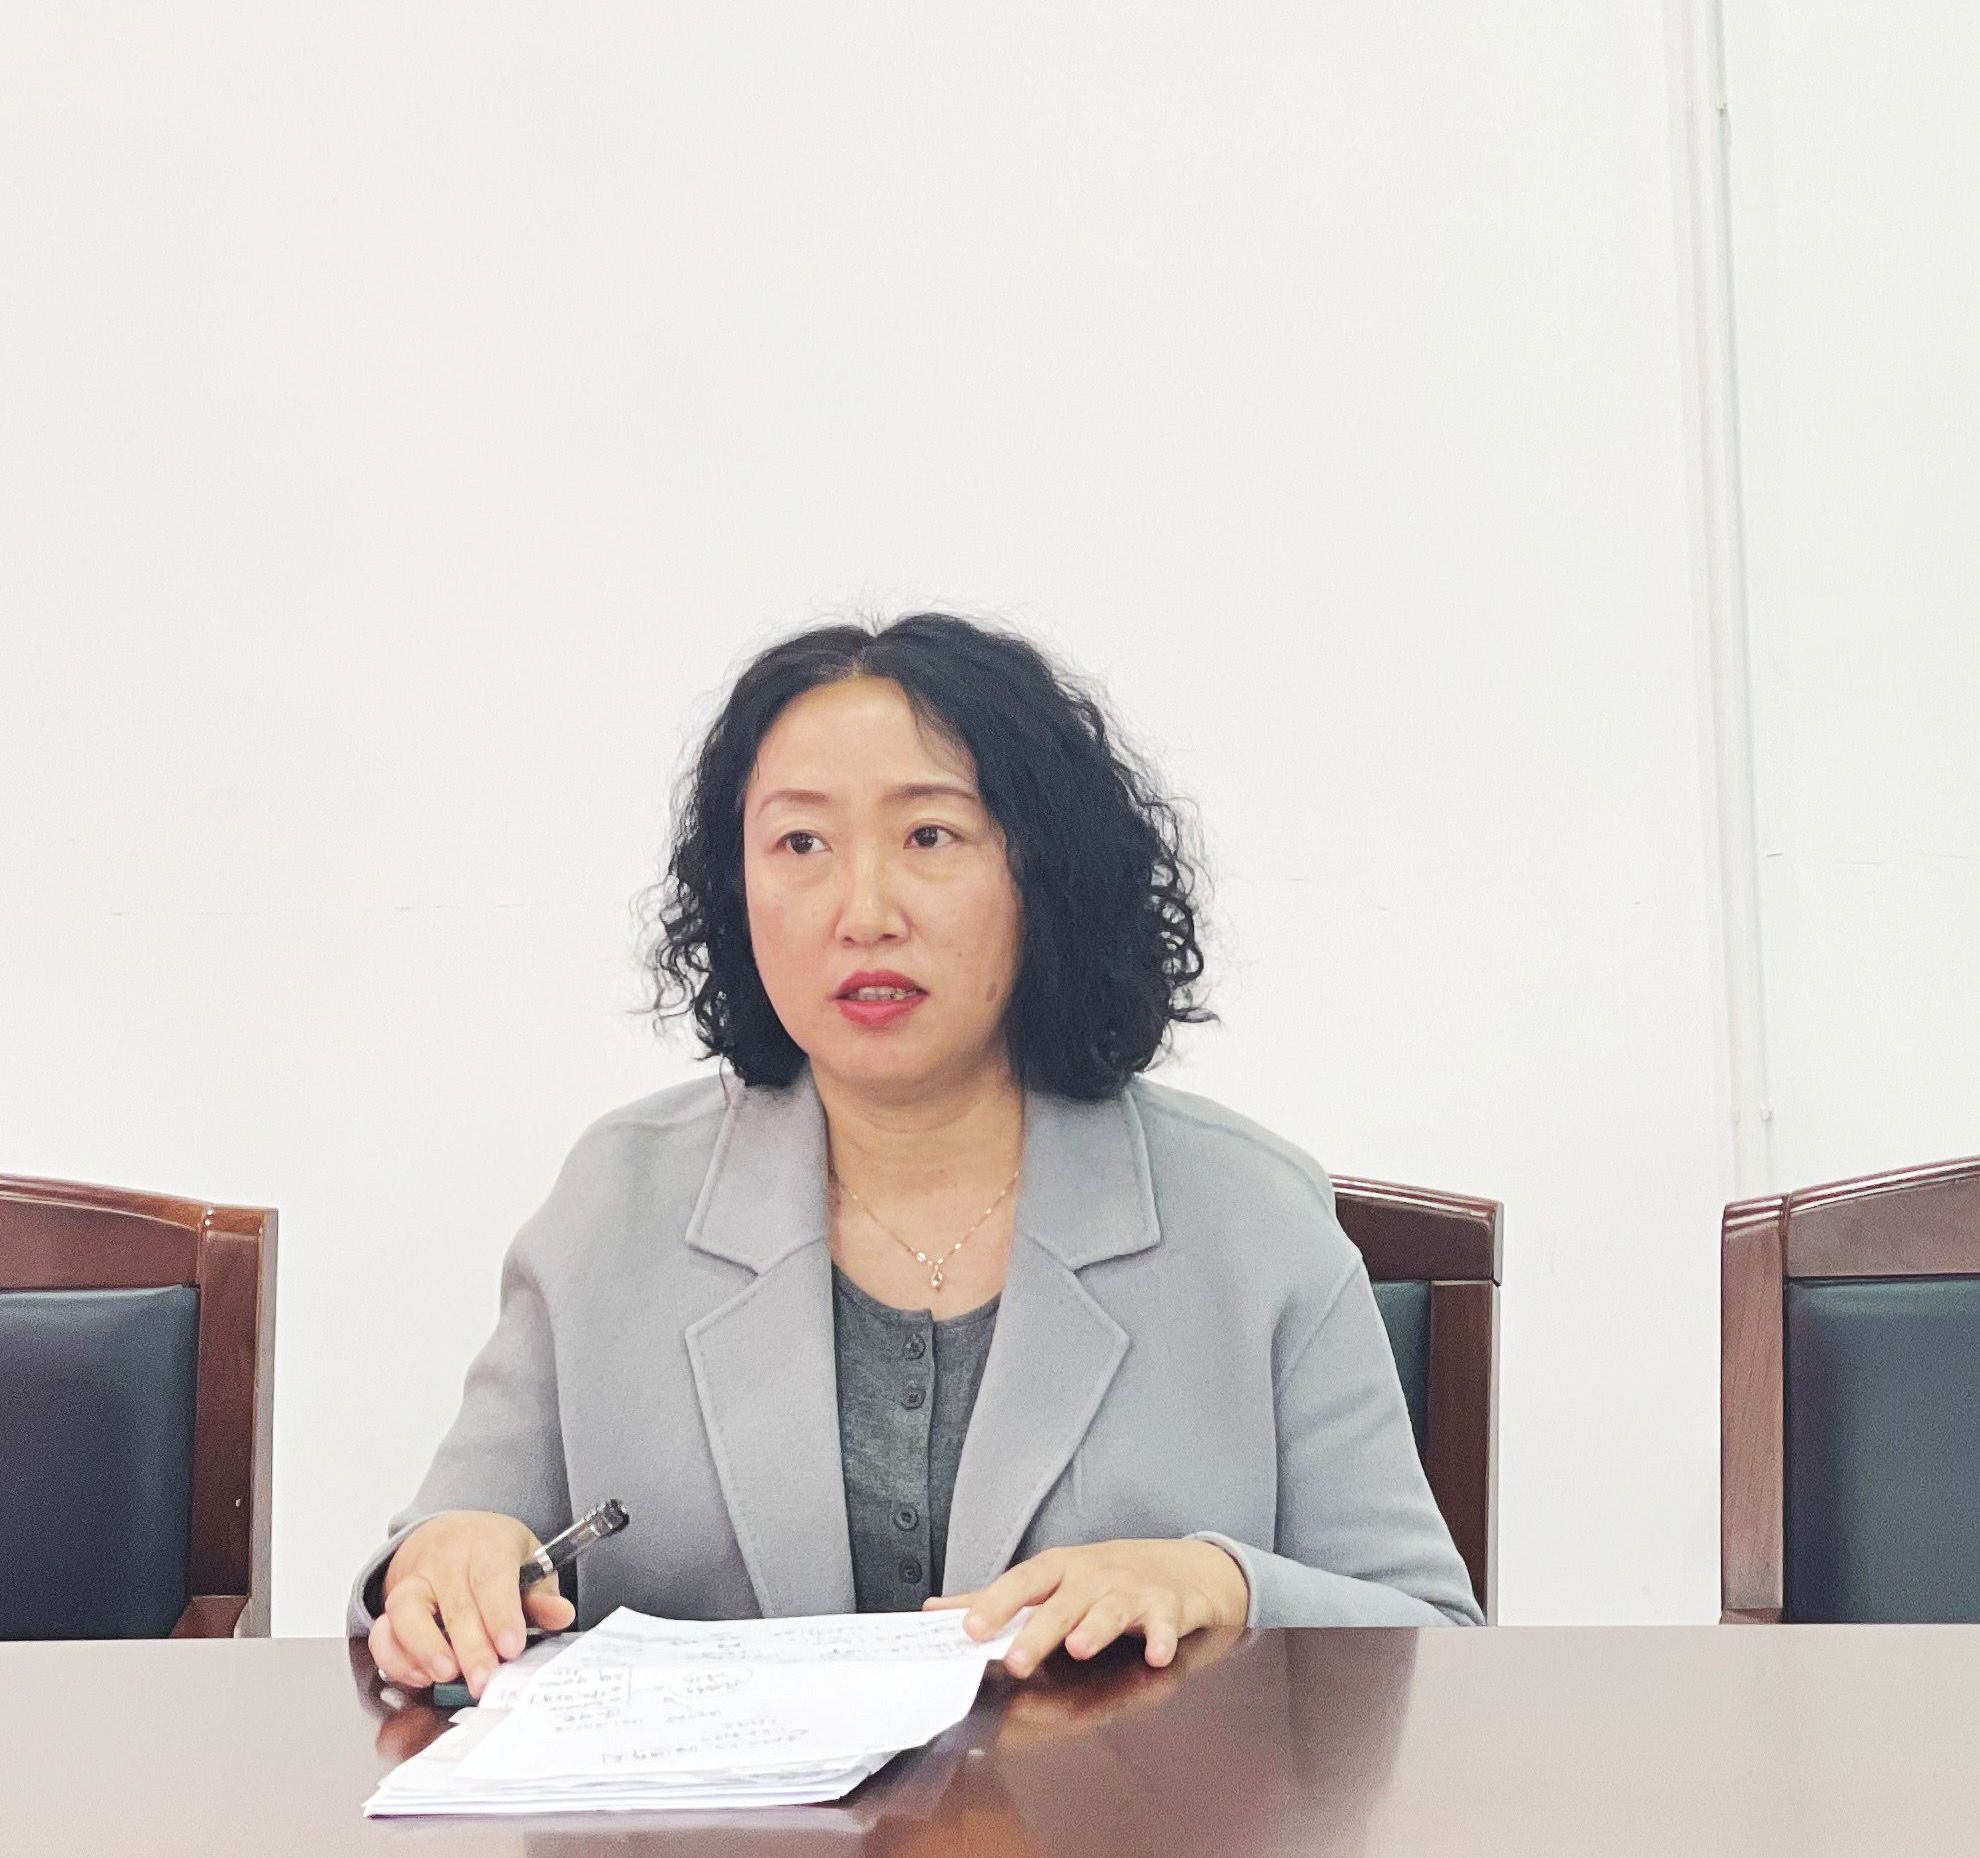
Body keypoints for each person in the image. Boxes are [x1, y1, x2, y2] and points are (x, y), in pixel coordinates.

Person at [354, 613, 1483, 1700]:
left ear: (1045, 872)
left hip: (1123, 1834)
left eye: (930, 836)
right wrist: (445, 1566)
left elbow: (1435, 1638)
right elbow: (426, 1572)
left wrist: (1224, 1584)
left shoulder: (1249, 1213)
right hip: (721, 1842)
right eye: (800, 844)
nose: (865, 911)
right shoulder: (617, 1199)